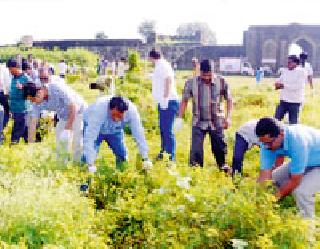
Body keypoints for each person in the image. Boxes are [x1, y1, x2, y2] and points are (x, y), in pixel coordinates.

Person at [256, 117, 320, 219]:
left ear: (281, 134)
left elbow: (295, 181)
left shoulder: (297, 141)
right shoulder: (266, 144)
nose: (266, 147)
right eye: (263, 143)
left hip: (316, 162)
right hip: (307, 160)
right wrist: (258, 199)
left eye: (269, 143)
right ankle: (271, 212)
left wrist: (273, 199)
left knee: (301, 191)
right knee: (273, 179)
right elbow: (264, 176)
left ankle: (307, 227)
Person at [176, 59, 232, 170]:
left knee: (220, 149)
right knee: (196, 151)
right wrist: (179, 118)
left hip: (216, 121)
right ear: (200, 72)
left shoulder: (221, 81)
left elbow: (229, 100)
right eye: (204, 75)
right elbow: (184, 100)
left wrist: (228, 117)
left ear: (213, 72)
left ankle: (223, 168)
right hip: (198, 122)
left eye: (209, 75)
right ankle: (196, 173)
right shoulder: (191, 83)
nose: (206, 78)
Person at [82, 96, 152, 173]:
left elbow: (139, 133)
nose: (117, 119)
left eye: (120, 116)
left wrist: (145, 157)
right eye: (114, 115)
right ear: (110, 109)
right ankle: (83, 175)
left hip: (115, 131)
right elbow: (90, 137)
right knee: (87, 158)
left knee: (122, 156)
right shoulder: (99, 110)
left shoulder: (132, 112)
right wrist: (90, 163)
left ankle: (121, 176)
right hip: (96, 129)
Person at [23, 80, 87, 162]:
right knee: (61, 140)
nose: (33, 102)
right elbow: (33, 124)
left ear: (39, 93)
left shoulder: (55, 87)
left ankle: (78, 165)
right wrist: (30, 145)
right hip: (63, 116)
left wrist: (68, 128)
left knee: (77, 140)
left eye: (32, 99)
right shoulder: (36, 103)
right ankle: (62, 166)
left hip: (78, 112)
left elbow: (73, 106)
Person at [149, 49, 179, 161]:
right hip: (163, 101)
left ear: (151, 57)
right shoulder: (159, 65)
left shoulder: (163, 65)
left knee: (168, 130)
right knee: (163, 129)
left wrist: (165, 98)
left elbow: (168, 80)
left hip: (169, 101)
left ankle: (171, 157)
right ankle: (163, 152)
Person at [274, 55, 305, 125]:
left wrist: (283, 85)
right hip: (283, 101)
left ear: (296, 63)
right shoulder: (285, 71)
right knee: (275, 121)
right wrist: (277, 85)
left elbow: (297, 86)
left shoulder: (301, 72)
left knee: (293, 124)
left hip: (295, 102)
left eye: (289, 62)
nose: (287, 64)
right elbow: (279, 81)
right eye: (287, 62)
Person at [7, 59, 29, 144]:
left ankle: (14, 145)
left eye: (10, 69)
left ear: (16, 67)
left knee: (18, 130)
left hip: (22, 109)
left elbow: (33, 90)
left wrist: (23, 87)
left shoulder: (25, 77)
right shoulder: (13, 78)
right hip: (14, 109)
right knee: (22, 129)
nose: (9, 71)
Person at [0, 60, 11, 129]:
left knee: (6, 111)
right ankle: (4, 128)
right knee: (6, 111)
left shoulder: (4, 69)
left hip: (3, 93)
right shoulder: (4, 69)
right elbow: (7, 83)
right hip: (3, 93)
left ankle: (3, 127)